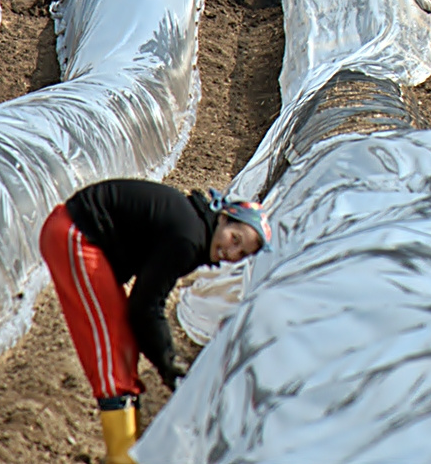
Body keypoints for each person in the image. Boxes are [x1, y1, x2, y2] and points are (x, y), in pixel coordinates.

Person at [38, 179, 272, 463]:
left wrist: (166, 363)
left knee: (124, 347)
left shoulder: (195, 233)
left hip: (85, 238)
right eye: (235, 239)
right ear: (224, 218)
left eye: (242, 254)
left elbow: (145, 303)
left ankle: (129, 450)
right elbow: (145, 306)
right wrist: (169, 364)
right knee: (111, 352)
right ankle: (122, 457)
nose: (232, 253)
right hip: (76, 235)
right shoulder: (189, 239)